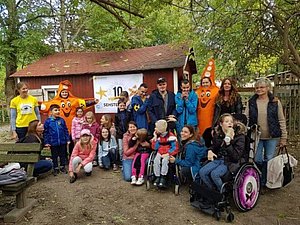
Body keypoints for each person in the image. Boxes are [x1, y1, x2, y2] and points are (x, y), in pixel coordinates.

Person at [245, 77, 287, 188]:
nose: (259, 89)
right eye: (257, 87)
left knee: (269, 159)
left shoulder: (275, 102)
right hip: (257, 136)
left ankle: (266, 182)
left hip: (272, 136)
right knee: (257, 159)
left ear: (268, 88)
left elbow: (281, 120)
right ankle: (259, 179)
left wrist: (284, 138)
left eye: (262, 87)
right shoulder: (252, 102)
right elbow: (246, 118)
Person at [199, 113, 246, 191]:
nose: (230, 123)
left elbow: (236, 157)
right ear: (221, 124)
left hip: (230, 161)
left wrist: (228, 142)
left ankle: (222, 192)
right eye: (227, 121)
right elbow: (214, 146)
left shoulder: (240, 137)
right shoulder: (218, 135)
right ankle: (212, 191)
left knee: (215, 174)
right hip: (218, 158)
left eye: (231, 121)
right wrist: (210, 150)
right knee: (202, 172)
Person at [151, 119, 179, 188]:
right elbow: (155, 148)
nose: (155, 129)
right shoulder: (158, 137)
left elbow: (175, 148)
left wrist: (169, 153)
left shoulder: (171, 136)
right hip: (160, 151)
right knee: (156, 161)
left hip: (168, 152)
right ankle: (157, 176)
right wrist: (154, 138)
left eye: (156, 127)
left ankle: (163, 176)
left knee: (165, 161)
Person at [44, 104, 70, 176]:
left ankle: (62, 167)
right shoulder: (48, 121)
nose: (58, 111)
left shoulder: (62, 120)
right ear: (51, 112)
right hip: (53, 142)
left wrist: (67, 139)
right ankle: (55, 168)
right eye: (55, 110)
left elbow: (65, 130)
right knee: (54, 156)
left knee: (63, 155)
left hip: (62, 142)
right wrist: (47, 142)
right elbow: (46, 132)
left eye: (59, 110)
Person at [115, 99, 131, 164]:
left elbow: (130, 122)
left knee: (128, 147)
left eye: (123, 106)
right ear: (118, 106)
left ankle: (128, 159)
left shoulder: (128, 113)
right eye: (120, 106)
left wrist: (128, 131)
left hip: (127, 133)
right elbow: (116, 124)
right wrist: (119, 131)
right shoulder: (116, 115)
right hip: (120, 134)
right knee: (121, 148)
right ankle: (121, 160)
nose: (122, 107)